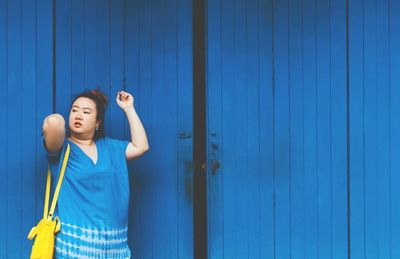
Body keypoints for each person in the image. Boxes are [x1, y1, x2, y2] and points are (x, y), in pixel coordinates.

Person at [41, 89, 149, 258]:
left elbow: (141, 146)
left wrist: (129, 108)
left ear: (98, 122)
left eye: (86, 112)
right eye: (74, 110)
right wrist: (59, 118)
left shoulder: (112, 148)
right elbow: (53, 124)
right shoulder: (61, 150)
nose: (78, 115)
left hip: (113, 250)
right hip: (74, 250)